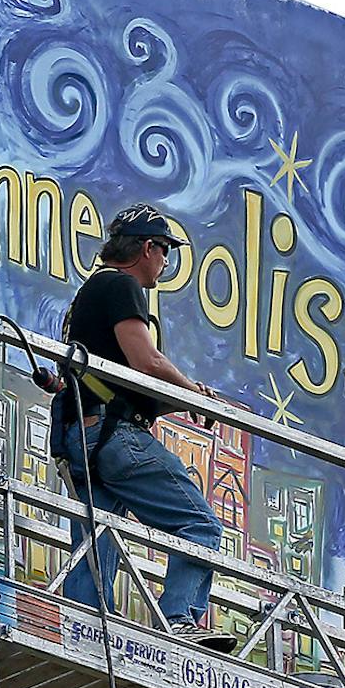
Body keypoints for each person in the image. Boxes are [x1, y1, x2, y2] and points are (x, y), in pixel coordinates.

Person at [52, 203, 236, 650]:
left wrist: (180, 399)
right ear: (147, 248)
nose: (166, 262)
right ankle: (181, 618)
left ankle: (85, 626)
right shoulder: (122, 286)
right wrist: (193, 391)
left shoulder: (88, 296)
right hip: (113, 438)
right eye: (165, 251)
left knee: (98, 540)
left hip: (82, 435)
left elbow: (122, 381)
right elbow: (146, 361)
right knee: (201, 526)